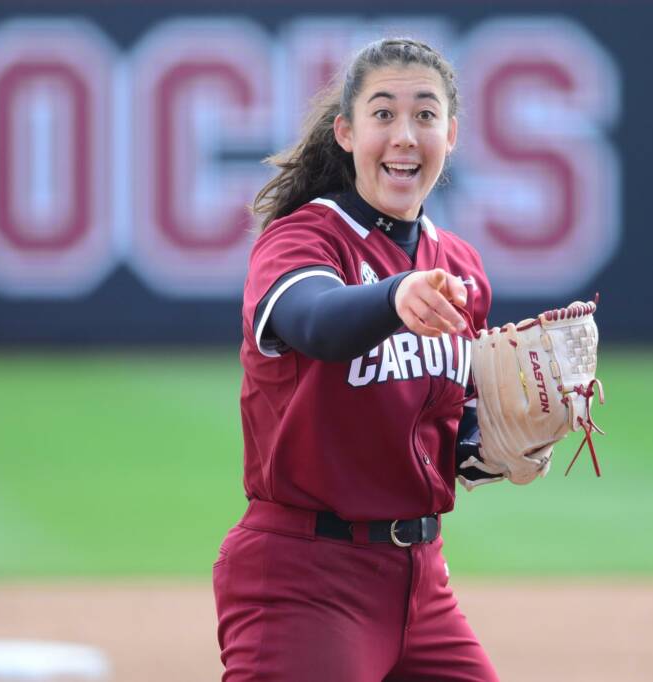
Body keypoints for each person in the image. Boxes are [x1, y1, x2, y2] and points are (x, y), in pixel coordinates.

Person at [212, 38, 505, 681]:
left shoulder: (459, 266)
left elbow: (449, 440)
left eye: (425, 115)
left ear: (450, 135)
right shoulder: (302, 237)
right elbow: (317, 323)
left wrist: (516, 441)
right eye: (383, 114)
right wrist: (395, 296)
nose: (405, 135)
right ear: (346, 132)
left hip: (423, 585)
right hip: (303, 577)